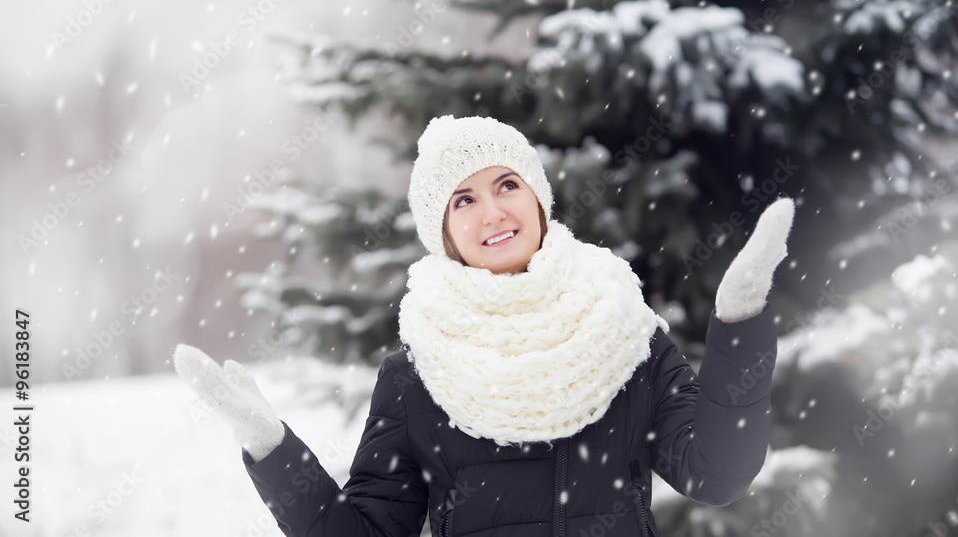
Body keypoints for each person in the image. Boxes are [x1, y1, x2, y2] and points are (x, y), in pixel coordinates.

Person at [174, 114, 795, 537]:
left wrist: (738, 323)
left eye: (506, 184)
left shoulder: (626, 334)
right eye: (463, 200)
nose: (493, 211)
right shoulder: (418, 374)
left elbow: (715, 472)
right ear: (444, 234)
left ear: (537, 198)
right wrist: (271, 447)